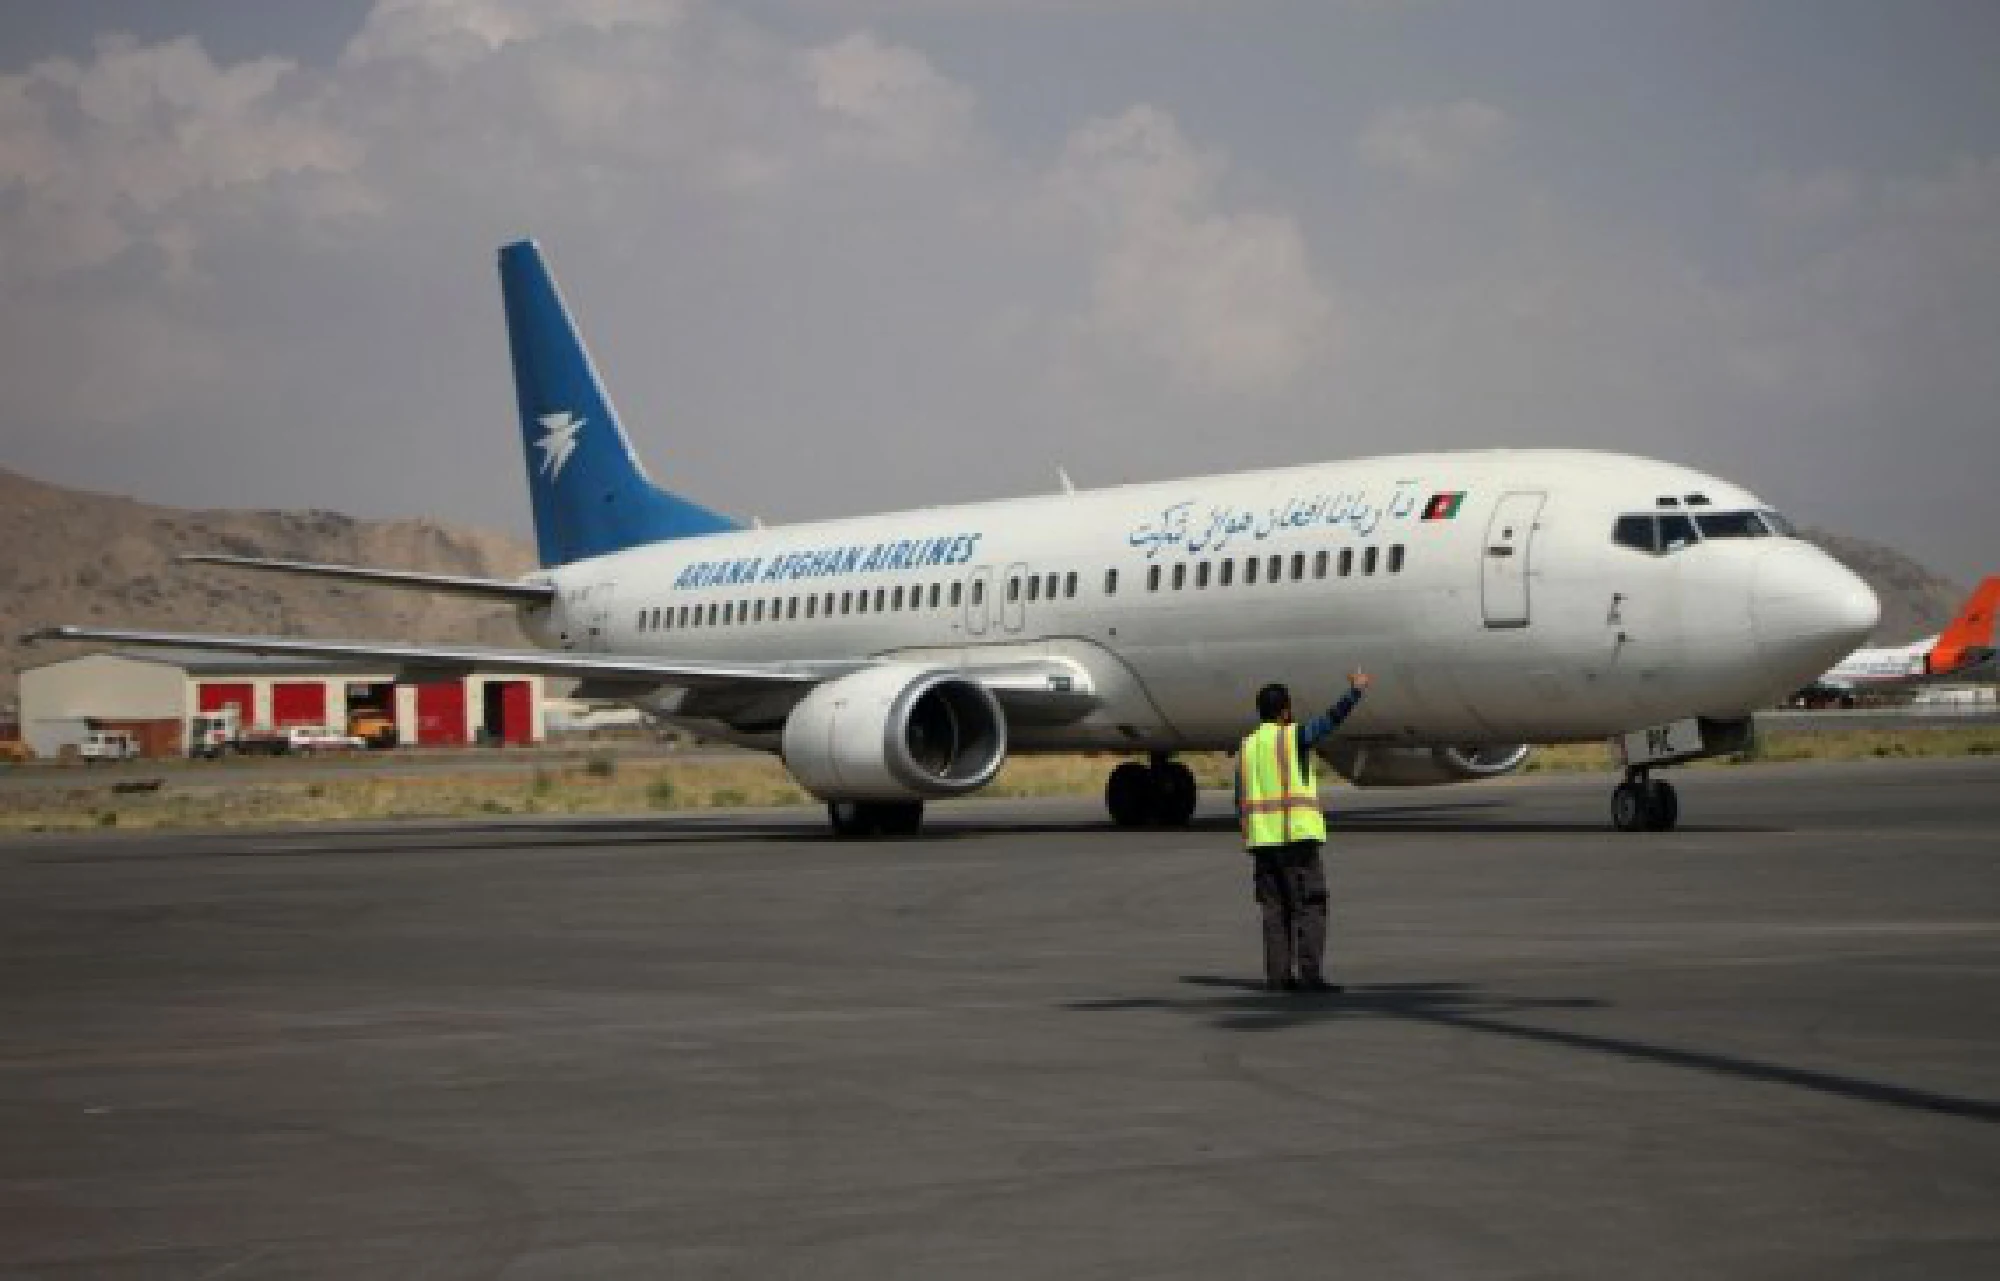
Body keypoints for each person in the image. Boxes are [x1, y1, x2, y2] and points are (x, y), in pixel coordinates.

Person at [1234, 671, 1371, 993]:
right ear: (1285, 711)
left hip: (1263, 842)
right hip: (1296, 839)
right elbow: (1328, 723)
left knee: (1274, 910)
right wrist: (1354, 693)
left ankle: (1279, 978)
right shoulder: (1291, 737)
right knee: (1310, 904)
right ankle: (1310, 975)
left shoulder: (1248, 746)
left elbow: (1239, 797)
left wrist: (1249, 834)